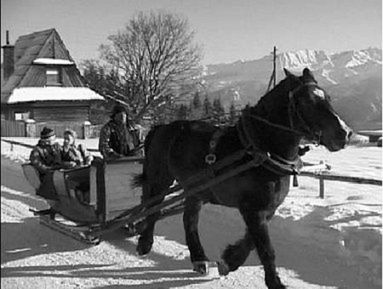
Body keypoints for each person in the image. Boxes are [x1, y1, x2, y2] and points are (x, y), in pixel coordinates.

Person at [29, 127, 62, 200]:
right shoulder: (37, 150)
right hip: (47, 173)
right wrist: (48, 169)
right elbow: (37, 163)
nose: (54, 141)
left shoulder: (56, 146)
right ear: (46, 140)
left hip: (58, 169)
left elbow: (63, 155)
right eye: (52, 139)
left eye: (54, 138)